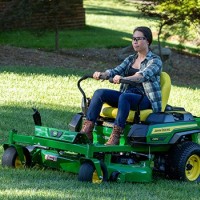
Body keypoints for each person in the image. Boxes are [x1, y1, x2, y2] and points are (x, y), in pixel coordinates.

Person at [80, 26, 162, 145]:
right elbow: (115, 71)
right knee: (100, 93)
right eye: (133, 39)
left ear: (147, 41)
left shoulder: (155, 60)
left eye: (139, 39)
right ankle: (87, 130)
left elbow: (141, 76)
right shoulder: (130, 59)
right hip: (128, 97)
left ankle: (116, 136)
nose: (135, 41)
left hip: (145, 99)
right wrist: (103, 74)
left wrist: (124, 78)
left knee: (124, 97)